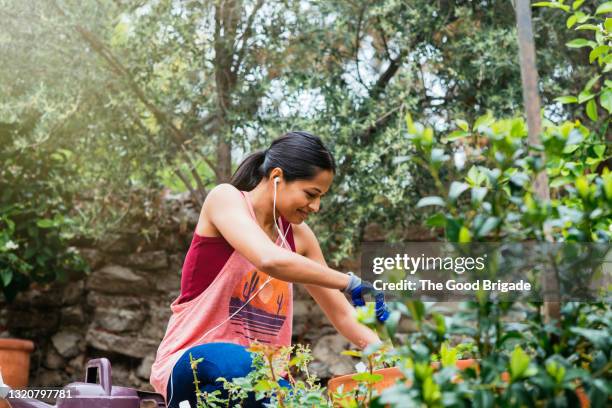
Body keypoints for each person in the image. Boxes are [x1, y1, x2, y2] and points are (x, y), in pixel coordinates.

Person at [150, 131, 389, 408]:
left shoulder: (299, 236)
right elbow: (269, 258)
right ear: (277, 177)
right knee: (244, 365)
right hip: (192, 365)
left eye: (321, 197)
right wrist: (349, 282)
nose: (316, 206)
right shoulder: (225, 200)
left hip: (265, 384)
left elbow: (343, 314)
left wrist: (390, 359)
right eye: (311, 194)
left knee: (300, 399)